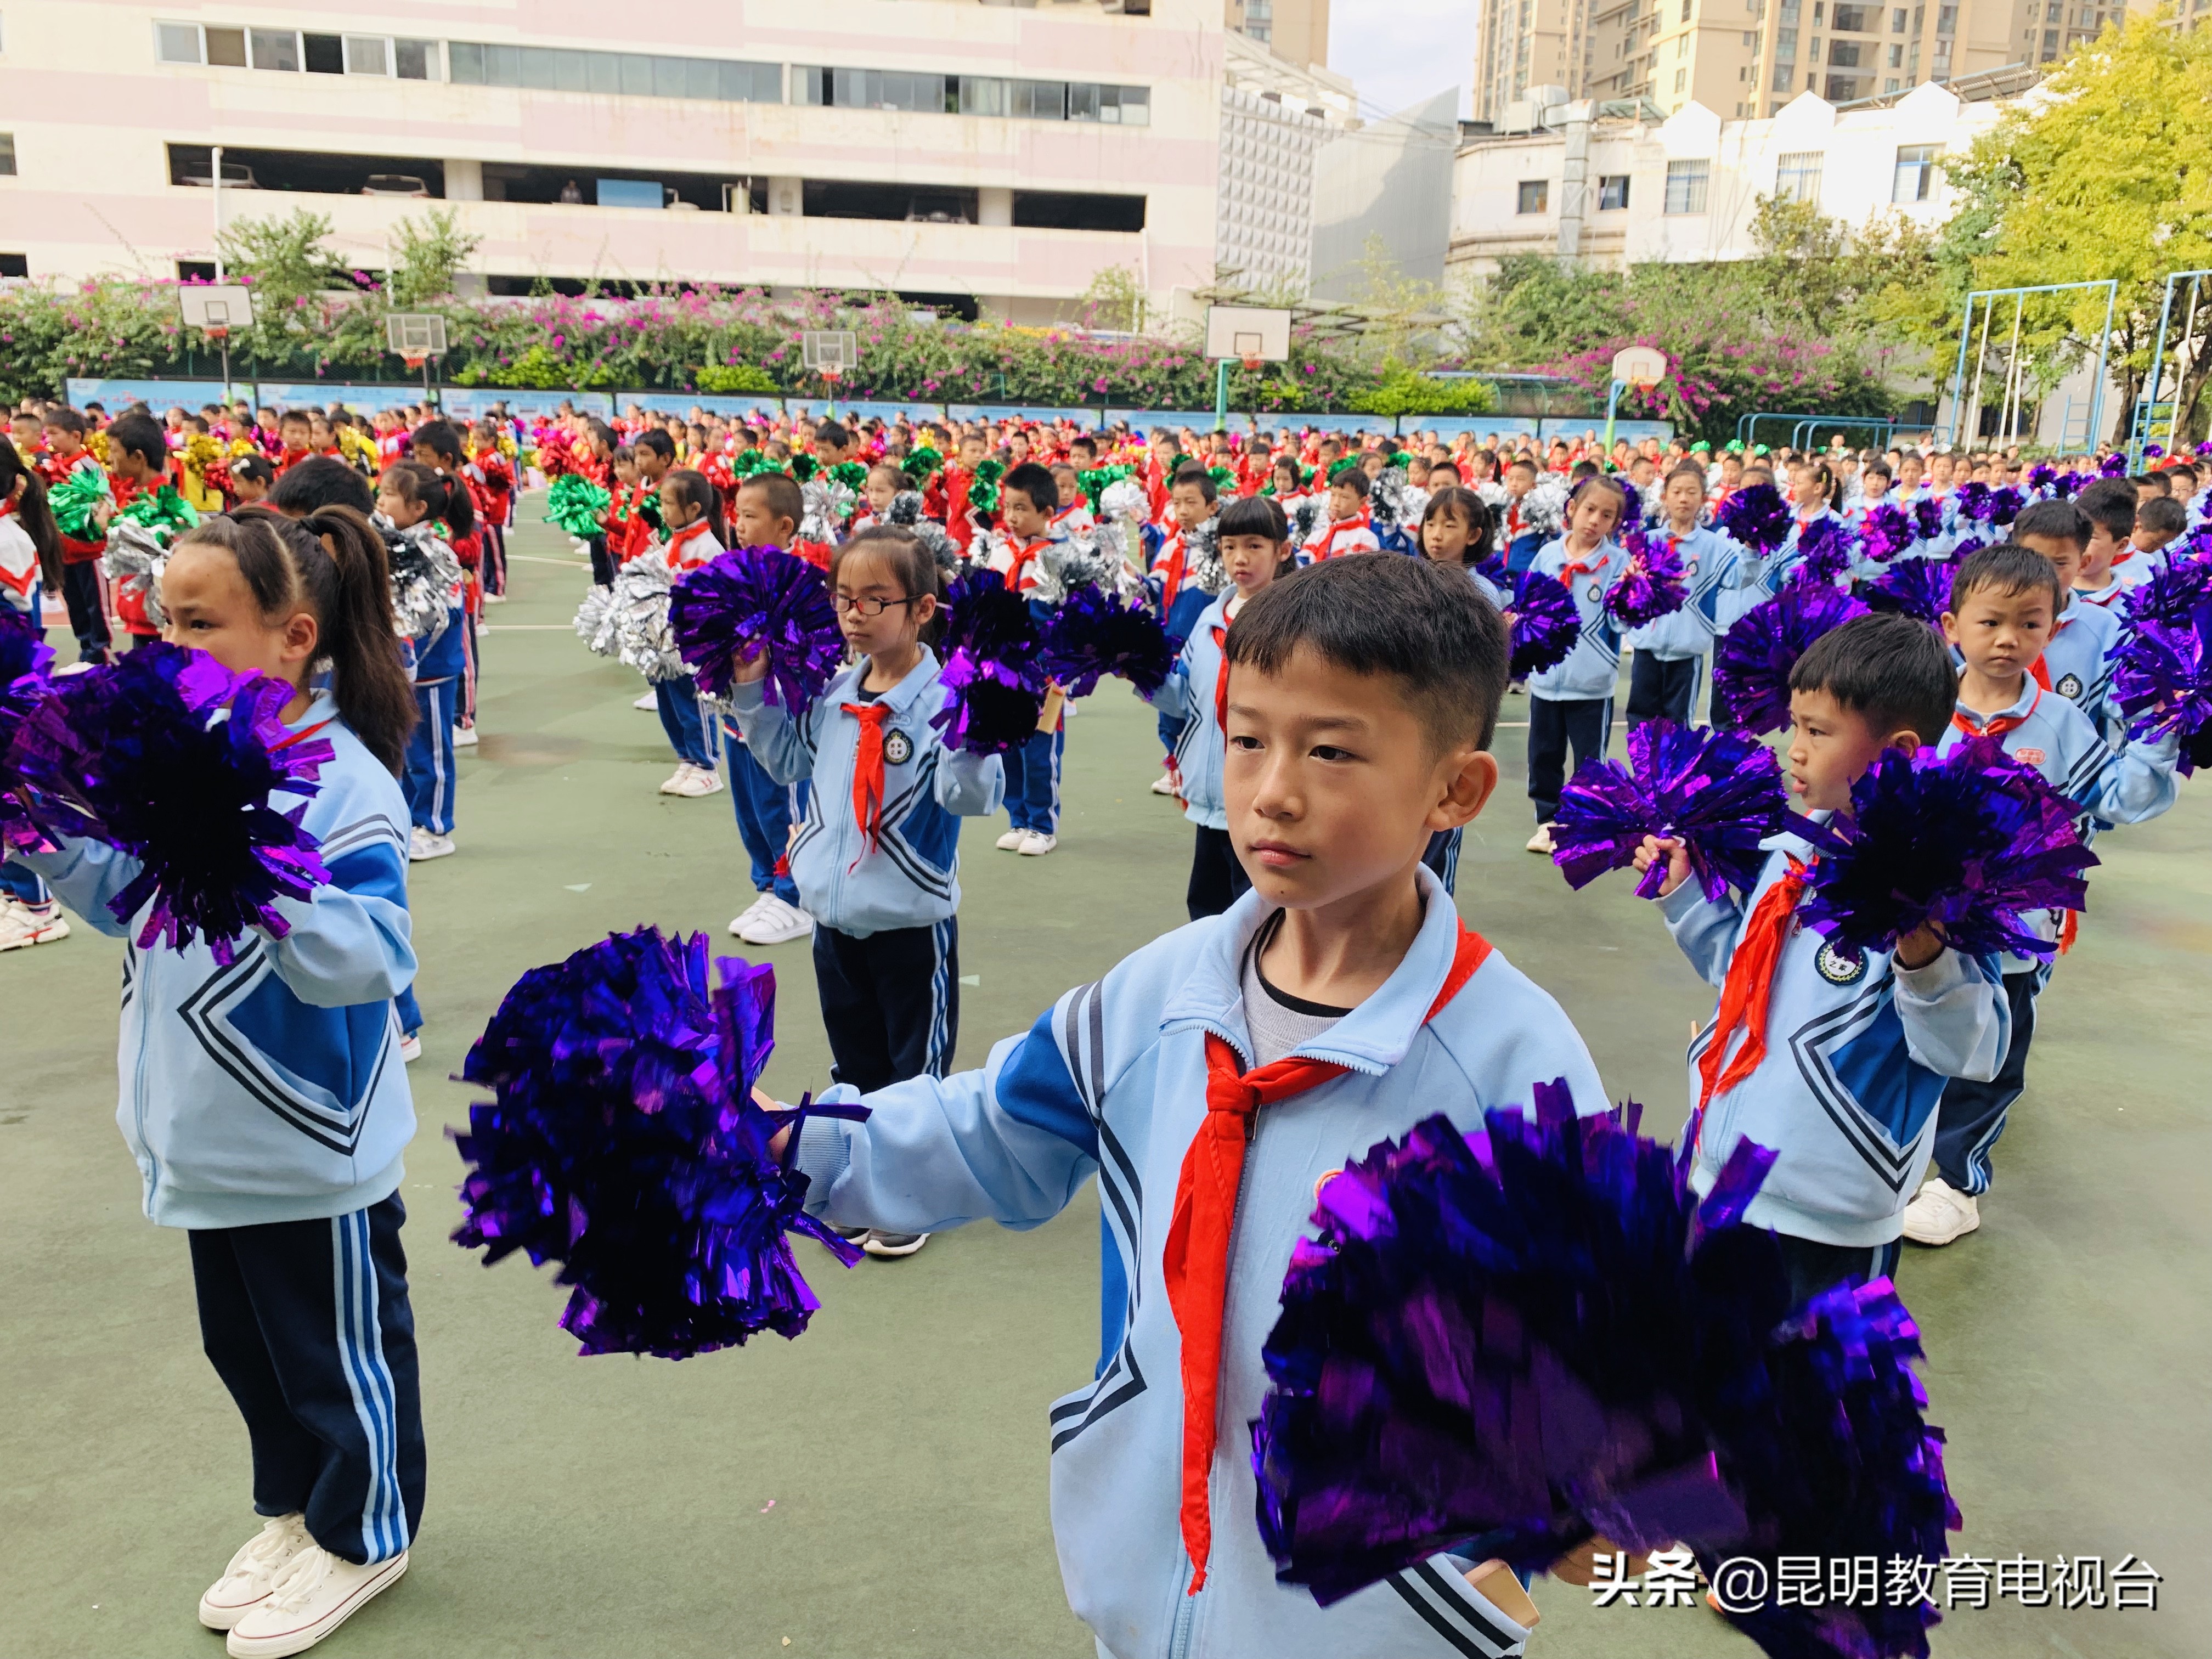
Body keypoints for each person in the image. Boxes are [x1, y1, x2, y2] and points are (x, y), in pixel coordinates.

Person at [768, 554, 1605, 1656]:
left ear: (1454, 791)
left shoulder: (1512, 1064)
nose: (1272, 790)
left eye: (1332, 751)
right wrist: (791, 1146)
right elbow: (991, 1132)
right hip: (1146, 1587)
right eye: (1250, 737)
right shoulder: (1166, 990)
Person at [18, 507, 425, 1655]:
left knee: (334, 1354)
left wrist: (255, 866)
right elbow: (128, 903)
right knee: (247, 1350)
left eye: (200, 624)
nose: (167, 645)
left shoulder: (341, 781)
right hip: (197, 1122)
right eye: (161, 622)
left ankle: (366, 1533)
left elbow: (376, 956)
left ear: (292, 636)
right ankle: (297, 1514)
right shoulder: (175, 752)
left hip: (307, 1134)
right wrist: (50, 838)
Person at [1634, 611, 2010, 1305]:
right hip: (1718, 1177)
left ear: (1896, 753)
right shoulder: (1792, 851)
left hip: (1830, 1218)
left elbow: (1973, 1050)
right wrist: (1685, 893)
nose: (1793, 750)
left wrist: (1925, 954)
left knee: (1817, 1403)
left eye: (1817, 731)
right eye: (1795, 726)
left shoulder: (1941, 887)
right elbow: (1742, 978)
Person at [725, 526, 1006, 1260]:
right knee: (855, 1063)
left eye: (875, 600)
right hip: (833, 921)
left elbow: (967, 798)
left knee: (913, 1075)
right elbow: (788, 761)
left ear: (921, 610)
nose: (854, 615)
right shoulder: (832, 694)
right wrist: (751, 689)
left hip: (912, 922)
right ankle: (853, 1181)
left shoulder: (946, 695)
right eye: (844, 598)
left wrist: (979, 736)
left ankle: (910, 1197)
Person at [1901, 546, 2178, 1247]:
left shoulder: (2061, 724)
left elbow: (2115, 799)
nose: (2007, 639)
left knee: (1992, 1057)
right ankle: (1897, 1159)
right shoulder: (1924, 711)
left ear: (2053, 631)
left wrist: (2160, 735)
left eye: (2029, 624)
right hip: (1919, 927)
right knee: (1910, 1040)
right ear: (1950, 625)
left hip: (2015, 936)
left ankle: (1960, 1183)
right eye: (1990, 621)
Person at [1146, 494, 1296, 919]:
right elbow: (1183, 698)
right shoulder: (1210, 619)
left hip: (1263, 796)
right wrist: (1143, 675)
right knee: (1206, 909)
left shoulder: (1294, 626)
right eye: (1229, 547)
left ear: (1283, 550)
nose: (1239, 558)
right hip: (1212, 797)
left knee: (1258, 912)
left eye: (1254, 546)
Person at [721, 473, 816, 945]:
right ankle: (767, 885)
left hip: (782, 721)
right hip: (739, 718)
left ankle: (795, 896)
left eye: (750, 516)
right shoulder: (732, 572)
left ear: (784, 526)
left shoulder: (798, 582)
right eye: (737, 514)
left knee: (785, 806)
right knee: (751, 810)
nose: (739, 524)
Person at [1523, 475, 1630, 853]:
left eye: (1607, 515)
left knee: (1589, 759)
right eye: (1589, 509)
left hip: (1592, 682)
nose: (1595, 520)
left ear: (1616, 524)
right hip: (1547, 679)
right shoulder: (1549, 556)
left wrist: (1633, 599)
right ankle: (1548, 820)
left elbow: (1623, 620)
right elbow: (1529, 605)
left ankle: (1583, 822)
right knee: (1544, 754)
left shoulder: (1619, 563)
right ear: (1572, 508)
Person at [377, 461, 468, 861]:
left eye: (390, 495)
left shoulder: (434, 552)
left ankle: (435, 826)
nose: (380, 501)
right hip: (398, 669)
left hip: (431, 670)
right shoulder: (384, 543)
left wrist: (413, 656)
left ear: (418, 509)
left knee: (430, 752)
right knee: (403, 751)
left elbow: (442, 614)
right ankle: (406, 821)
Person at [1623, 461, 1742, 729]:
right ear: (1664, 497)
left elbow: (1738, 579)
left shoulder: (1714, 547)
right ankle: (1644, 772)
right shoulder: (1647, 542)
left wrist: (1753, 549)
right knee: (1640, 718)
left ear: (1703, 499)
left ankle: (1674, 772)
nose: (1683, 499)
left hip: (1687, 652)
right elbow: (1625, 592)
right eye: (1677, 492)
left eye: (1691, 492)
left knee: (1678, 724)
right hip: (1647, 648)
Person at [986, 462, 1068, 855]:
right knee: (1008, 748)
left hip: (1042, 673)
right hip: (1001, 669)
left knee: (1039, 750)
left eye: (1021, 508)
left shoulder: (1058, 559)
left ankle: (1043, 824)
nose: (1012, 517)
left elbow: (1065, 619)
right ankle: (1018, 819)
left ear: (1047, 514)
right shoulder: (1000, 553)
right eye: (1008, 507)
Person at [2010, 499, 2121, 732]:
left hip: (2074, 761)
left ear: (2083, 564)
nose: (2043, 573)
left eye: (2059, 563)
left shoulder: (2105, 627)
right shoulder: (1985, 620)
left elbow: (2123, 707)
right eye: (2032, 558)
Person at [650, 467, 725, 799]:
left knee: (694, 702)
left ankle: (707, 767)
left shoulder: (707, 548)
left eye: (669, 503)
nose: (663, 510)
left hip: (694, 643)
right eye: (662, 502)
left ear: (694, 509)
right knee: (670, 700)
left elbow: (714, 596)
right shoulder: (674, 541)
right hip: (668, 640)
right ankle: (686, 758)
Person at [1305, 465, 1379, 560]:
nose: (1336, 503)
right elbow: (1300, 566)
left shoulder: (1365, 538)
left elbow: (1364, 572)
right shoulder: (1318, 536)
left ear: (1362, 501)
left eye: (1344, 497)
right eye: (1333, 495)